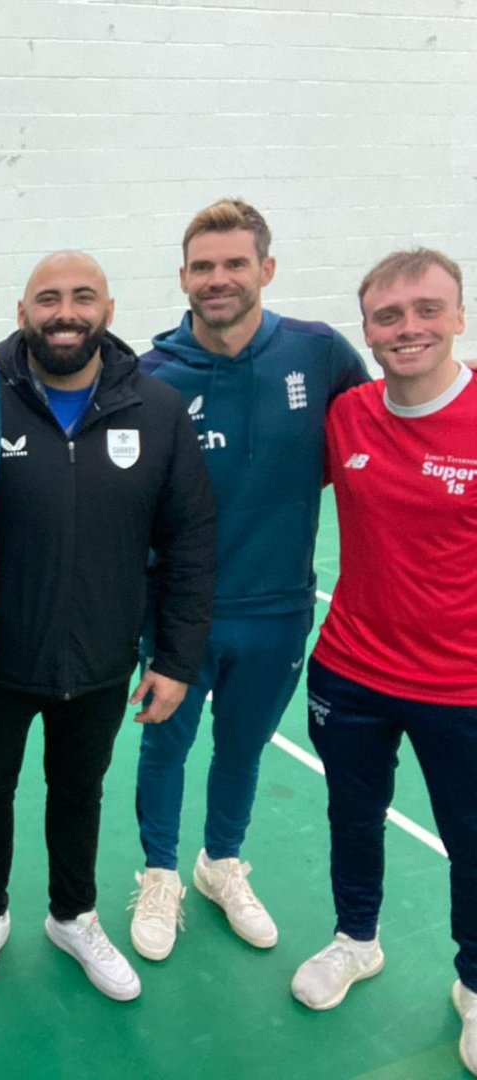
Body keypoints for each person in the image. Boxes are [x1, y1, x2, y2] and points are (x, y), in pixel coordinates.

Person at [0, 251, 215, 1003]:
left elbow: (191, 541)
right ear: (22, 313)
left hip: (103, 659)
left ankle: (72, 915)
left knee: (80, 791)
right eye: (48, 299)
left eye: (82, 297)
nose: (65, 312)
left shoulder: (158, 411)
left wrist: (176, 657)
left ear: (108, 308)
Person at [128, 199, 369, 962]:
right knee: (165, 750)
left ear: (266, 268)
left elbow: (371, 438)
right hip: (177, 617)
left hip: (277, 611)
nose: (219, 279)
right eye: (204, 266)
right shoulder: (152, 375)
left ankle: (219, 864)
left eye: (236, 263)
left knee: (242, 750)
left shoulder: (319, 353)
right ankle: (161, 873)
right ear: (183, 278)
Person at [290, 249, 477, 1077]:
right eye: (389, 317)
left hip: (462, 690)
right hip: (351, 672)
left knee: (471, 840)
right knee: (351, 817)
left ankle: (473, 982)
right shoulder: (350, 416)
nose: (409, 330)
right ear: (366, 329)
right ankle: (355, 940)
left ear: (459, 317)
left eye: (427, 311)